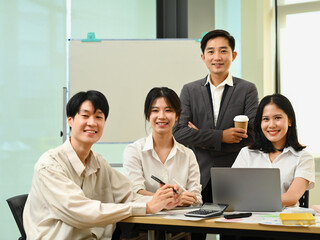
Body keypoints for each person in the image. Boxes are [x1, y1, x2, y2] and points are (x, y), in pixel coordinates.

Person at [23, 90, 179, 240]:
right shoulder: (49, 165)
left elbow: (129, 196)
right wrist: (147, 207)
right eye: (85, 115)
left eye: (99, 117)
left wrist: (163, 200)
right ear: (70, 120)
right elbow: (81, 212)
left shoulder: (98, 163)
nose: (92, 123)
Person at [173, 29, 259, 204]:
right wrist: (223, 137)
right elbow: (180, 132)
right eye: (211, 51)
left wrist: (201, 139)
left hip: (234, 173)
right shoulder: (189, 90)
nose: (217, 57)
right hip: (197, 175)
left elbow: (252, 135)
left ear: (233, 55)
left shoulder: (247, 89)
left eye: (223, 51)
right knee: (195, 229)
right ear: (203, 57)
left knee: (233, 228)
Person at [123, 87, 202, 207]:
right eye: (155, 110)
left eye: (168, 110)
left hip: (182, 222)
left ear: (177, 116)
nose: (161, 116)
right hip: (146, 222)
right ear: (147, 116)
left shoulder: (188, 155)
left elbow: (197, 199)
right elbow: (135, 193)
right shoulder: (134, 151)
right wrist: (171, 199)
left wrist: (191, 199)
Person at [232, 93, 315, 206]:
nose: (271, 125)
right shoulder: (246, 153)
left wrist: (252, 200)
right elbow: (232, 192)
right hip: (248, 217)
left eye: (277, 118)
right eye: (265, 119)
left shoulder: (303, 158)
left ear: (290, 120)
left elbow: (291, 197)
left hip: (285, 219)